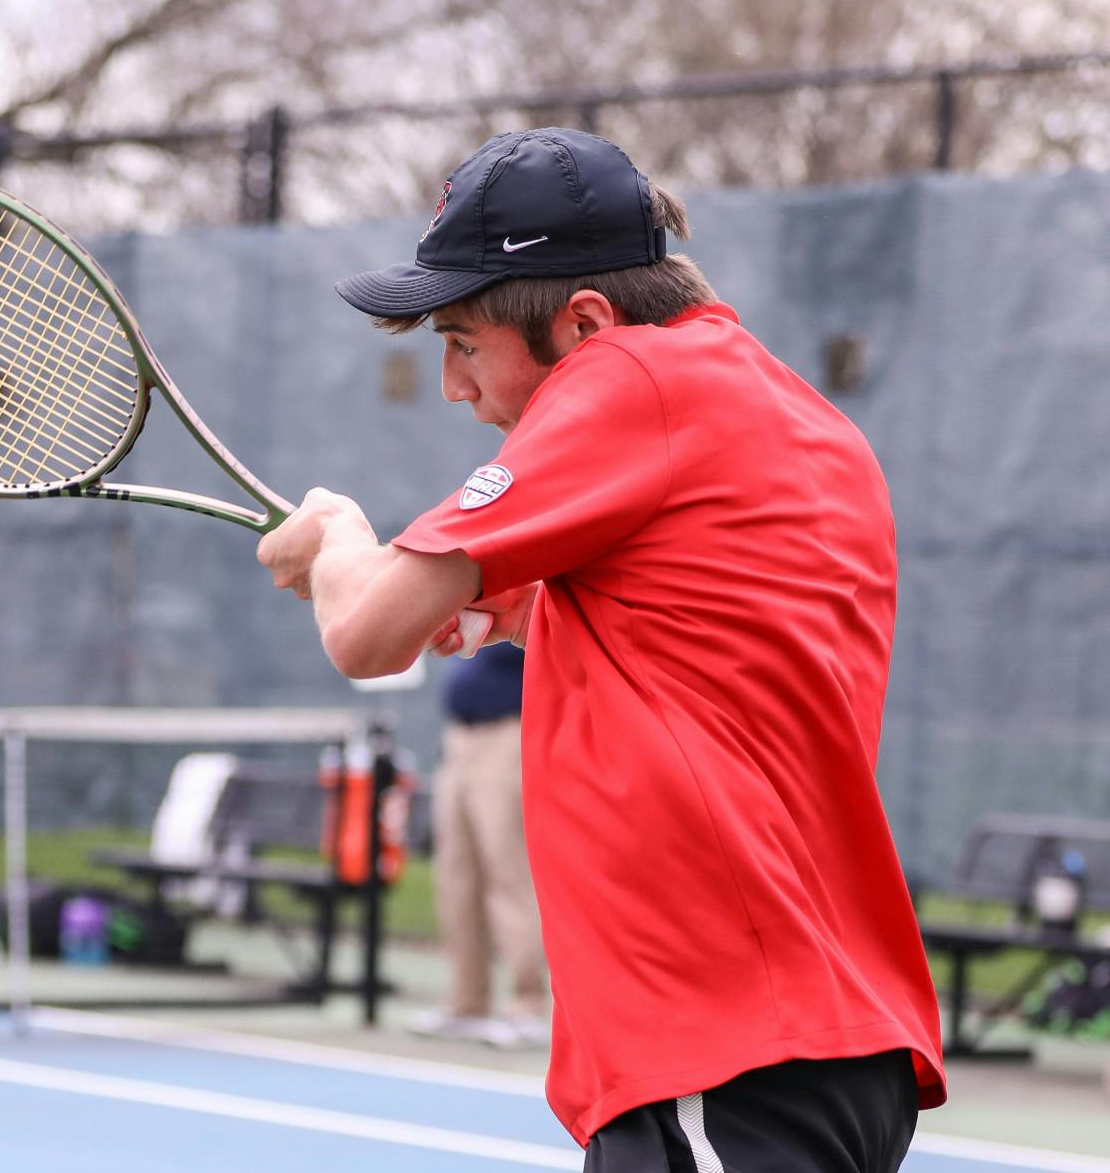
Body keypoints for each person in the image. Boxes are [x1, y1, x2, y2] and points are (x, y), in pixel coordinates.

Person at [255, 128, 945, 1169]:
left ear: (582, 321)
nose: (452, 385)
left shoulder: (626, 376)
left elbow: (364, 631)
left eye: (464, 340)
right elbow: (683, 619)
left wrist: (342, 538)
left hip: (724, 1052)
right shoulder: (789, 415)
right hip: (819, 1043)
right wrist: (504, 605)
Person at [410, 639, 551, 1049]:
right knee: (456, 878)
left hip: (509, 735)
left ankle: (528, 1007)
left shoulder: (531, 591)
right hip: (460, 740)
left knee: (509, 875)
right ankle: (467, 1003)